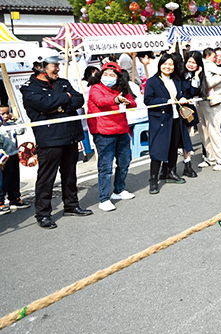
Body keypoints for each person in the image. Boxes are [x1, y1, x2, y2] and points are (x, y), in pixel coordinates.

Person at [21, 52, 93, 228]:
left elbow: (78, 99)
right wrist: (64, 99)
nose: (58, 68)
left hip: (70, 135)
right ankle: (43, 214)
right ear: (40, 67)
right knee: (47, 179)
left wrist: (57, 105)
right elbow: (43, 105)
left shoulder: (63, 82)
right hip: (50, 139)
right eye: (54, 65)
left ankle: (71, 205)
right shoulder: (29, 87)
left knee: (70, 175)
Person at [87, 61, 137, 212]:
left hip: (121, 130)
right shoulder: (95, 88)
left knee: (125, 161)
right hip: (104, 133)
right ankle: (103, 198)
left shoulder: (120, 89)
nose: (108, 77)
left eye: (112, 75)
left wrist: (127, 102)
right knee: (105, 166)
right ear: (100, 75)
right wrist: (116, 100)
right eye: (106, 74)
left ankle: (119, 190)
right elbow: (101, 102)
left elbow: (133, 103)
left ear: (118, 77)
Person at [144, 54, 194, 194]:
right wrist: (165, 101)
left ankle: (171, 172)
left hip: (176, 117)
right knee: (158, 149)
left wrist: (183, 97)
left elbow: (185, 93)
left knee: (173, 146)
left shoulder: (177, 80)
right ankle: (153, 180)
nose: (168, 67)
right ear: (160, 65)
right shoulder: (152, 81)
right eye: (165, 64)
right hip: (160, 119)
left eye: (171, 64)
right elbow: (148, 100)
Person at [196, 48, 221, 171]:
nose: (218, 59)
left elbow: (207, 84)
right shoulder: (207, 66)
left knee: (214, 131)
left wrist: (198, 80)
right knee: (203, 131)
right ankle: (211, 158)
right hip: (201, 103)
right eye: (216, 56)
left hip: (215, 104)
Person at [0, 105, 25, 213]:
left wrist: (17, 119)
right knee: (3, 181)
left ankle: (15, 198)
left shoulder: (11, 124)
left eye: (7, 113)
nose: (6, 116)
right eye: (2, 114)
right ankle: (1, 202)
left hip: (14, 154)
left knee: (14, 177)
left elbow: (21, 131)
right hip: (3, 158)